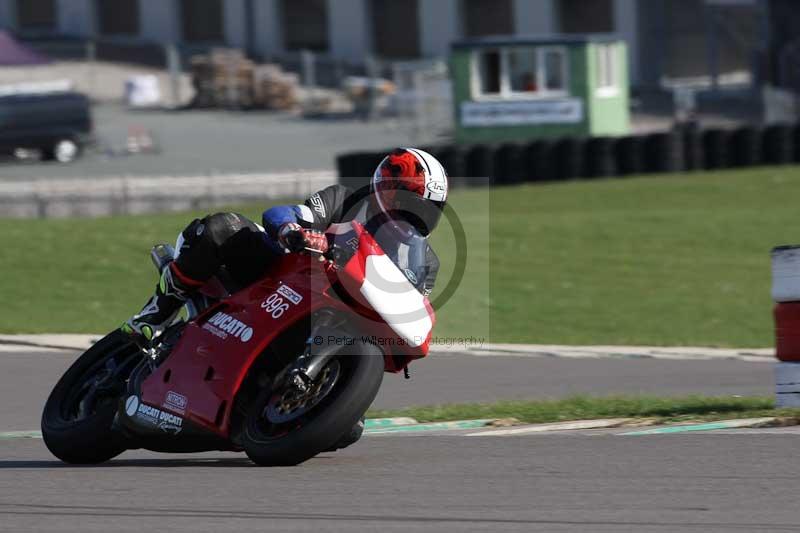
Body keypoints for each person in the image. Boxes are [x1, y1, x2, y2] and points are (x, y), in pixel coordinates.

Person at [121, 148, 449, 344]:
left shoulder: (426, 263)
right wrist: (294, 231)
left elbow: (411, 312)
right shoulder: (343, 200)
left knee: (346, 430)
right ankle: (156, 314)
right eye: (406, 198)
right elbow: (286, 213)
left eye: (426, 206)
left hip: (338, 317)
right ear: (386, 189)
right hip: (279, 281)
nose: (414, 211)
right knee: (223, 228)